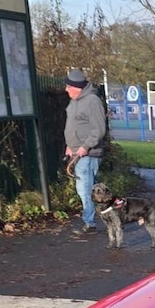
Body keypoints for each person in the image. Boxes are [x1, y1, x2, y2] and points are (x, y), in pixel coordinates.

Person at [63, 68, 106, 233]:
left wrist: (84, 147)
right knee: (90, 187)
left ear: (77, 87)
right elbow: (74, 125)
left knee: (84, 188)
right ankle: (108, 214)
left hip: (87, 153)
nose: (66, 89)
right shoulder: (74, 101)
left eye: (69, 86)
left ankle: (90, 223)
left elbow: (98, 129)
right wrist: (69, 145)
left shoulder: (92, 101)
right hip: (76, 151)